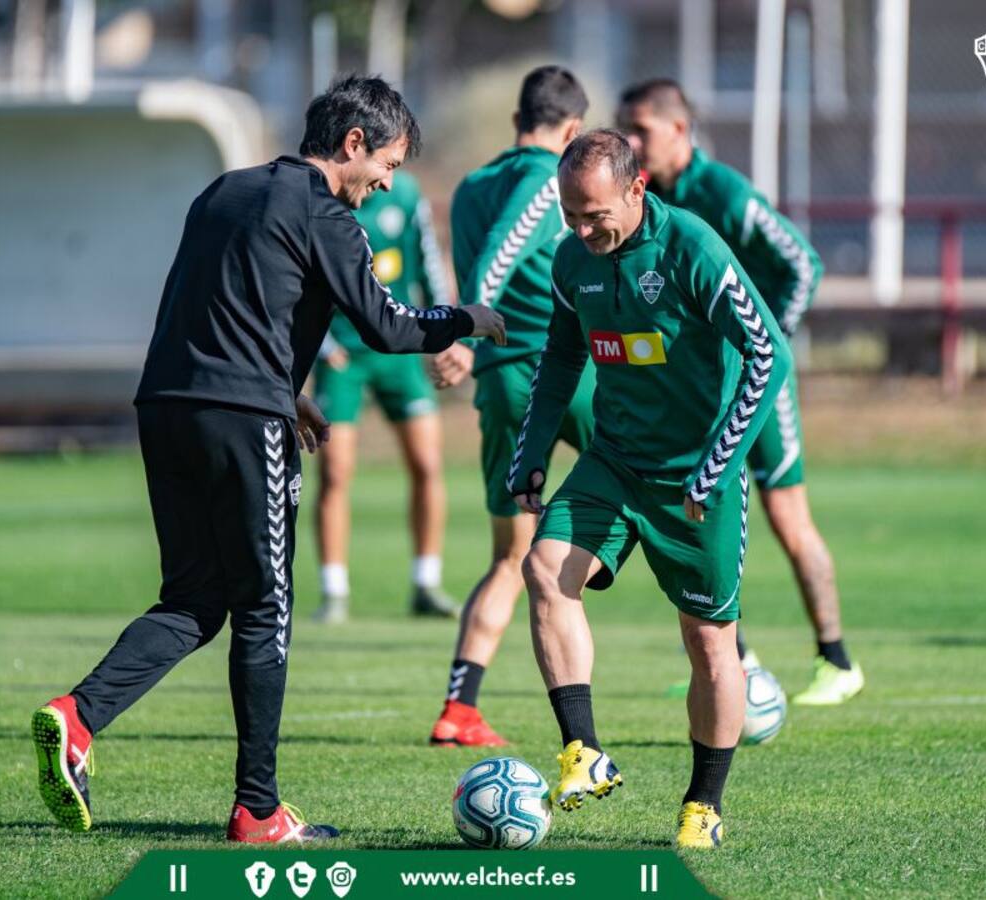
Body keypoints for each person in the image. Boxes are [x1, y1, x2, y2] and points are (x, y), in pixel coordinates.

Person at [29, 75, 505, 843]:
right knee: (266, 608)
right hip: (242, 418)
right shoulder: (326, 213)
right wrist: (472, 321)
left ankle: (77, 715)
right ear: (352, 144)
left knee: (194, 600)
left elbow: (214, 302)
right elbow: (388, 328)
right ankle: (257, 809)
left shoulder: (225, 190)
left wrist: (287, 391)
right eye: (386, 162)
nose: (388, 180)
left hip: (167, 406)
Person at [508, 130, 792, 849]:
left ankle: (704, 805)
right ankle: (583, 751)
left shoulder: (691, 248)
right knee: (543, 568)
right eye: (570, 213)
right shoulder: (575, 258)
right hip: (615, 460)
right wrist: (533, 450)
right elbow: (564, 352)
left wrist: (718, 464)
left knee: (707, 643)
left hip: (698, 476)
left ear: (637, 189)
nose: (579, 229)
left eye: (594, 213)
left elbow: (770, 352)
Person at [617, 79, 864, 705]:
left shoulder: (722, 192)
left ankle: (836, 659)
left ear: (679, 129)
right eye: (625, 128)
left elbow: (802, 263)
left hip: (755, 387)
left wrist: (766, 342)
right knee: (693, 514)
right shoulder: (638, 201)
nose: (632, 140)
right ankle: (736, 661)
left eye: (641, 128)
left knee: (789, 519)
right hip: (693, 395)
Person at [425, 65, 593, 747]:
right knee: (667, 491)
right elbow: (499, 256)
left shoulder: (471, 186)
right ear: (573, 129)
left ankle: (459, 707)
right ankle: (729, 653)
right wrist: (465, 329)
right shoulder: (544, 179)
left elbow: (477, 252)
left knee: (508, 555)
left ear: (518, 116)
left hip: (499, 386)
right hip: (553, 372)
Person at [311, 170, 460, 623]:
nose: (388, 175)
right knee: (335, 472)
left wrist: (446, 331)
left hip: (399, 349)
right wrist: (322, 345)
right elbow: (299, 281)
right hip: (342, 353)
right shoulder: (326, 198)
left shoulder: (407, 195)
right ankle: (334, 591)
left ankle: (426, 582)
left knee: (427, 464)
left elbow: (429, 265)